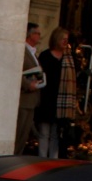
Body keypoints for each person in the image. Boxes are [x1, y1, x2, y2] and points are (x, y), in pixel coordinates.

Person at [35, 27, 79, 159]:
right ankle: (42, 158)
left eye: (67, 39)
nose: (65, 42)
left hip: (61, 102)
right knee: (44, 132)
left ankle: (52, 160)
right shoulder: (45, 56)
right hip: (47, 99)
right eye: (63, 39)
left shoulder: (69, 58)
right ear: (56, 39)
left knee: (56, 133)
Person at [15, 23, 44, 156]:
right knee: (18, 135)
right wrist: (28, 85)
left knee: (23, 136)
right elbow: (15, 72)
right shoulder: (22, 51)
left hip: (32, 101)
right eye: (37, 33)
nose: (39, 36)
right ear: (30, 34)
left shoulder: (33, 53)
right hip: (24, 99)